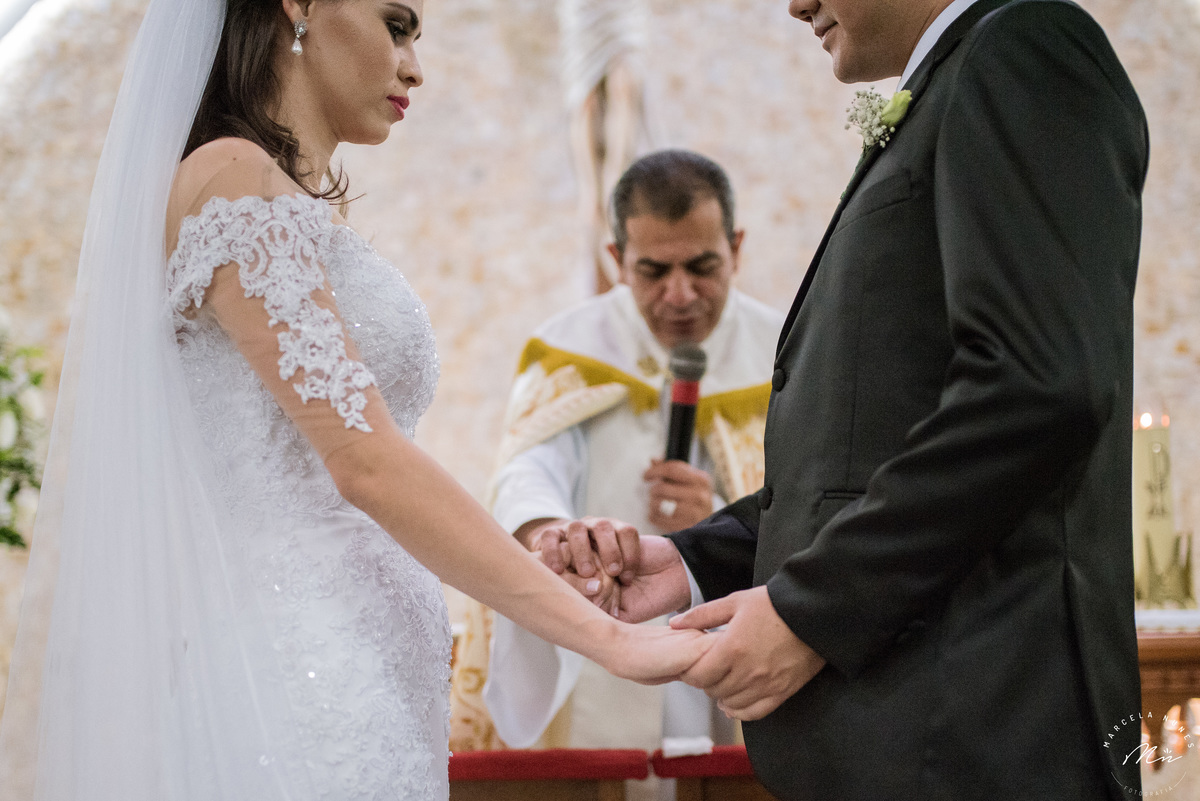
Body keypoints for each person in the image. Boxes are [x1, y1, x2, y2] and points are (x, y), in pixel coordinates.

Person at [0, 1, 714, 799]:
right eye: (397, 23)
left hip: (358, 672)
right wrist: (606, 640)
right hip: (298, 675)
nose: (415, 66)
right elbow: (366, 463)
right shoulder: (232, 180)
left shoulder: (279, 202)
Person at [547, 1, 1150, 799]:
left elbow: (1036, 388)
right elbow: (866, 457)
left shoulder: (1023, 49)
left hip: (975, 740)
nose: (795, 4)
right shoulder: (952, 83)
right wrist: (695, 559)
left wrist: (811, 612)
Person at [449, 152, 783, 770]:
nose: (679, 294)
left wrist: (714, 519)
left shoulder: (786, 351)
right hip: (596, 645)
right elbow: (526, 472)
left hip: (726, 646)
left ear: (736, 247)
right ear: (615, 260)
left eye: (703, 267)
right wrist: (552, 539)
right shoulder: (569, 351)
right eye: (652, 270)